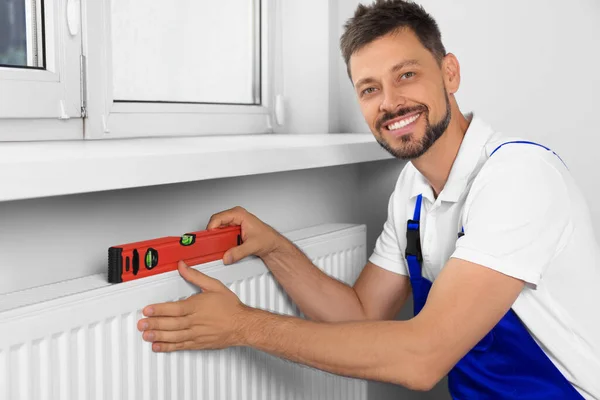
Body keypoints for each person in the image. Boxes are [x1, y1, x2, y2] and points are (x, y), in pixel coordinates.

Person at [137, 0, 600, 398]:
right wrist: (273, 247)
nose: (391, 102)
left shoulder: (517, 177)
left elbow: (422, 358)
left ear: (449, 73)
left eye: (407, 75)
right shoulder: (413, 191)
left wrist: (242, 326)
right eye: (370, 88)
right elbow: (359, 314)